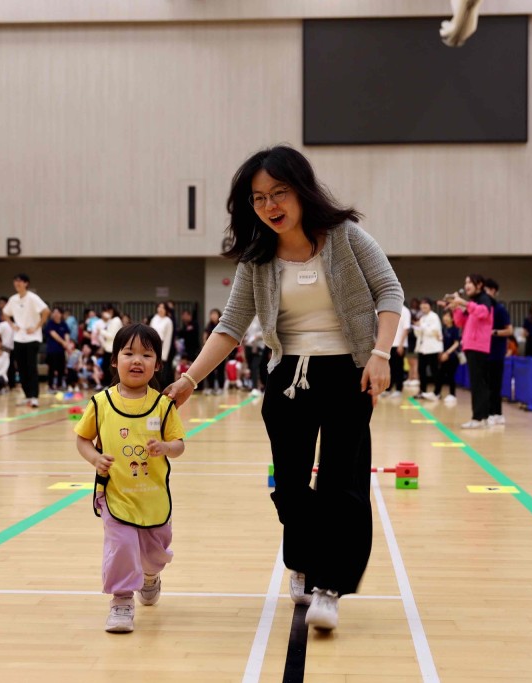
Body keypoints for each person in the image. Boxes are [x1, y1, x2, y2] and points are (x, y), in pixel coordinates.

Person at [163, 145, 402, 632]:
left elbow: (389, 291)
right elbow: (231, 325)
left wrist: (380, 355)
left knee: (341, 482)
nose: (270, 206)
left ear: (301, 191)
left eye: (279, 193)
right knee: (290, 485)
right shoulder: (258, 257)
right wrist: (190, 379)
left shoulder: (345, 237)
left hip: (347, 373)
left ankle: (330, 586)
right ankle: (303, 560)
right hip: (288, 377)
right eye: (258, 198)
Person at [74, 324, 186, 633]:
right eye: (129, 353)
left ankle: (150, 575)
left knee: (155, 553)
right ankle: (121, 601)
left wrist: (165, 447)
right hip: (116, 493)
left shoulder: (163, 405)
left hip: (152, 495)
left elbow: (179, 445)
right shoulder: (100, 403)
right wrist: (95, 458)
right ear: (114, 360)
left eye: (146, 355)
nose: (137, 360)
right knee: (120, 546)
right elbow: (82, 439)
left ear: (157, 365)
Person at [445, 274, 494, 429]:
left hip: (478, 346)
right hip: (471, 346)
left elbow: (483, 313)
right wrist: (457, 308)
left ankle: (478, 418)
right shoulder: (472, 302)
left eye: (469, 282)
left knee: (479, 383)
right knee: (478, 382)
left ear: (478, 284)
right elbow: (460, 322)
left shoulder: (484, 298)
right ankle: (483, 417)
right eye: (465, 282)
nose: (466, 285)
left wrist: (464, 303)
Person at [3, 274, 50, 408]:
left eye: (20, 281)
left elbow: (46, 311)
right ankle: (27, 395)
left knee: (31, 367)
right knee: (22, 368)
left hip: (32, 338)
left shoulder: (32, 298)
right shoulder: (13, 299)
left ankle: (34, 397)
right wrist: (12, 325)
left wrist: (36, 326)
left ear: (26, 283)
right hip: (19, 338)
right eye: (15, 281)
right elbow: (5, 313)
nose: (17, 283)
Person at [484, 279, 513, 426]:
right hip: (483, 352)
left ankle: (498, 413)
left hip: (496, 352)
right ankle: (489, 413)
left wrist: (493, 332)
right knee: (486, 385)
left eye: (487, 290)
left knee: (495, 384)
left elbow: (509, 330)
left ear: (494, 291)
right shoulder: (483, 309)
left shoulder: (500, 310)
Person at [413, 298, 443, 401]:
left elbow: (434, 332)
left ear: (430, 306)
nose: (423, 307)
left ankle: (437, 393)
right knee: (421, 371)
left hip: (432, 349)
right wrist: (417, 328)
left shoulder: (434, 317)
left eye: (425, 305)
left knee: (435, 371)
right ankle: (423, 391)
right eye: (422, 305)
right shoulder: (422, 318)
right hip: (422, 349)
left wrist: (421, 326)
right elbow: (419, 333)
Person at [383, 302, 411, 398]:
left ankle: (399, 389)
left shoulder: (405, 311)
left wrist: (401, 345)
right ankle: (388, 388)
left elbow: (406, 329)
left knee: (398, 367)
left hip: (399, 345)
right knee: (389, 367)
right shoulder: (390, 309)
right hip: (389, 344)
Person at [436, 310, 461, 405]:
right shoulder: (443, 329)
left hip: (452, 356)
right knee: (440, 375)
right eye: (444, 315)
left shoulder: (455, 329)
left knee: (451, 375)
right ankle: (437, 393)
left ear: (452, 318)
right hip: (443, 355)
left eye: (447, 316)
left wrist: (447, 353)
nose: (445, 318)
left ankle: (452, 394)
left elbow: (456, 343)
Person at [44, 306, 71, 392]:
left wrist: (67, 343)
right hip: (52, 350)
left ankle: (59, 385)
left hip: (61, 351)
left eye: (58, 312)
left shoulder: (64, 324)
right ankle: (51, 386)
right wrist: (63, 343)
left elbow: (67, 334)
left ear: (61, 314)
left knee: (61, 368)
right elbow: (53, 334)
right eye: (54, 312)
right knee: (51, 368)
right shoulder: (50, 323)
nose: (56, 314)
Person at [149, 302, 176, 389]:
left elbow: (168, 338)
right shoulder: (154, 318)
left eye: (163, 307)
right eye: (159, 307)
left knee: (162, 372)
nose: (160, 309)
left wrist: (164, 354)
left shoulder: (168, 321)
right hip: (152, 346)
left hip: (162, 346)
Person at [202, 309, 227, 394]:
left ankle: (220, 387)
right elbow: (205, 337)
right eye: (211, 314)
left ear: (219, 315)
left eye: (214, 314)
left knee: (220, 370)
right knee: (209, 370)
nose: (213, 316)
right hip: (210, 351)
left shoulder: (222, 325)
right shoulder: (209, 326)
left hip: (221, 350)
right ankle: (211, 387)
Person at [98, 305, 122, 382]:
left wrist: (101, 331)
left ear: (111, 311)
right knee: (106, 367)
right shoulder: (112, 320)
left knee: (109, 369)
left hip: (111, 349)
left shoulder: (116, 320)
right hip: (108, 348)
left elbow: (112, 335)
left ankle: (110, 384)